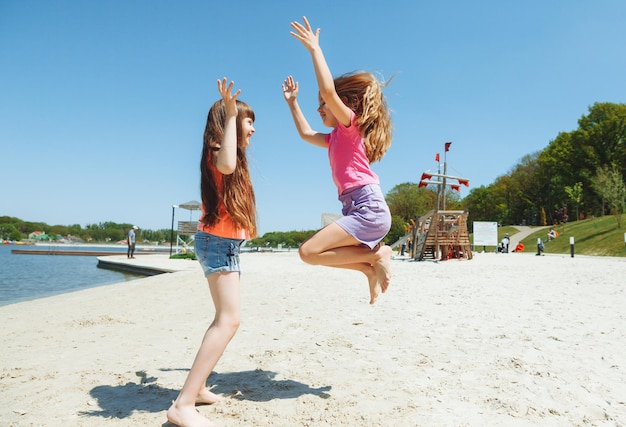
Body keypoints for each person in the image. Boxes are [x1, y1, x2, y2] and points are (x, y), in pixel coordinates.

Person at [282, 16, 393, 304]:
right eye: (318, 104)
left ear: (344, 105)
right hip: (356, 208)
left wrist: (314, 50)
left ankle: (378, 254)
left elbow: (330, 91)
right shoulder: (333, 139)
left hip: (367, 207)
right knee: (310, 255)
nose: (320, 108)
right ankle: (368, 268)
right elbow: (306, 134)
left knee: (307, 252)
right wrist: (293, 103)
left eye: (323, 104)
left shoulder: (349, 126)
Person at [167, 78, 257, 427]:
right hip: (217, 244)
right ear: (228, 123)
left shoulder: (227, 152)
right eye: (248, 121)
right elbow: (227, 166)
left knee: (223, 317)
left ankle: (198, 386)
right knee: (229, 319)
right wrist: (233, 113)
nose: (253, 128)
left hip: (222, 244)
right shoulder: (218, 151)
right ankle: (182, 405)